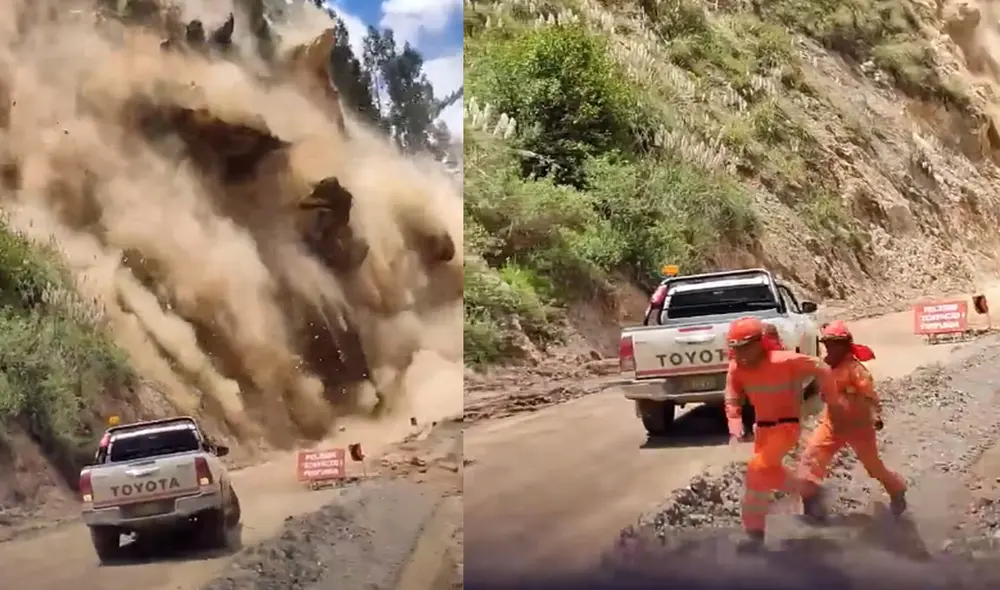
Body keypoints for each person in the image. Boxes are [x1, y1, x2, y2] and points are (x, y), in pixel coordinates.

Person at [725, 316, 843, 551]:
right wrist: (735, 426)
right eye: (736, 348)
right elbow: (731, 397)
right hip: (763, 430)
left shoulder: (785, 361)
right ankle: (806, 493)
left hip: (786, 427)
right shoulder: (736, 368)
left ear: (760, 342)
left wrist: (831, 397)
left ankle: (757, 533)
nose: (742, 354)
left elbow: (821, 366)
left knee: (757, 469)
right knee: (760, 480)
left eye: (746, 347)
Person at [798, 320, 906, 521]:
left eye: (835, 344)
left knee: (873, 467)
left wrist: (876, 416)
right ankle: (811, 504)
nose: (830, 349)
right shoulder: (825, 368)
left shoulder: (856, 370)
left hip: (859, 427)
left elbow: (870, 396)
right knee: (811, 456)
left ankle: (897, 490)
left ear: (845, 345)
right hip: (832, 424)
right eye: (827, 344)